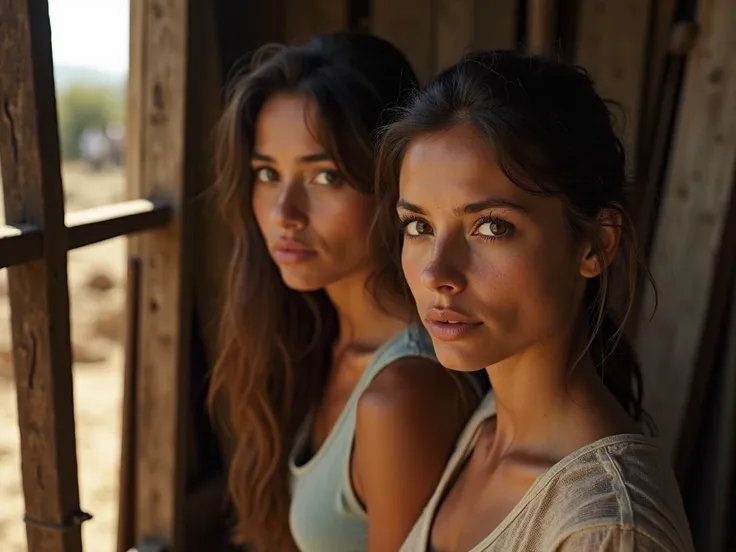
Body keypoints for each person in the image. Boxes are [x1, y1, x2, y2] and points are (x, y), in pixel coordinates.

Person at [370, 50, 694, 551]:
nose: (437, 273)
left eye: (491, 227)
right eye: (419, 226)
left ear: (596, 243)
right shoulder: (486, 430)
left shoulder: (607, 529)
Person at [208, 32, 487, 552]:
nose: (283, 214)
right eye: (267, 174)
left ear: (388, 184)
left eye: (325, 176)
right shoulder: (312, 341)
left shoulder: (404, 392)